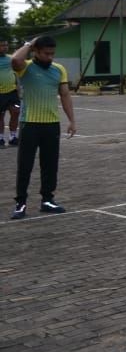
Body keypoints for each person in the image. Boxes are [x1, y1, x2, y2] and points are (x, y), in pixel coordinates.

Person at [10, 37, 76, 219]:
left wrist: (72, 120)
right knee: (25, 165)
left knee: (49, 165)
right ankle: (21, 203)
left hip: (51, 125)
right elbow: (15, 60)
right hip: (30, 124)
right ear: (36, 52)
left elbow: (65, 95)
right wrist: (29, 44)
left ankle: (47, 200)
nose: (50, 57)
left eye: (52, 54)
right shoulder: (26, 67)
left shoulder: (58, 70)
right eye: (46, 53)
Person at [0, 40, 21, 147]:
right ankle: (1, 138)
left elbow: (16, 72)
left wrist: (18, 86)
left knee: (16, 112)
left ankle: (13, 137)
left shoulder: (11, 59)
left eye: (6, 45)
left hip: (12, 93)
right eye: (2, 45)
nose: (5, 47)